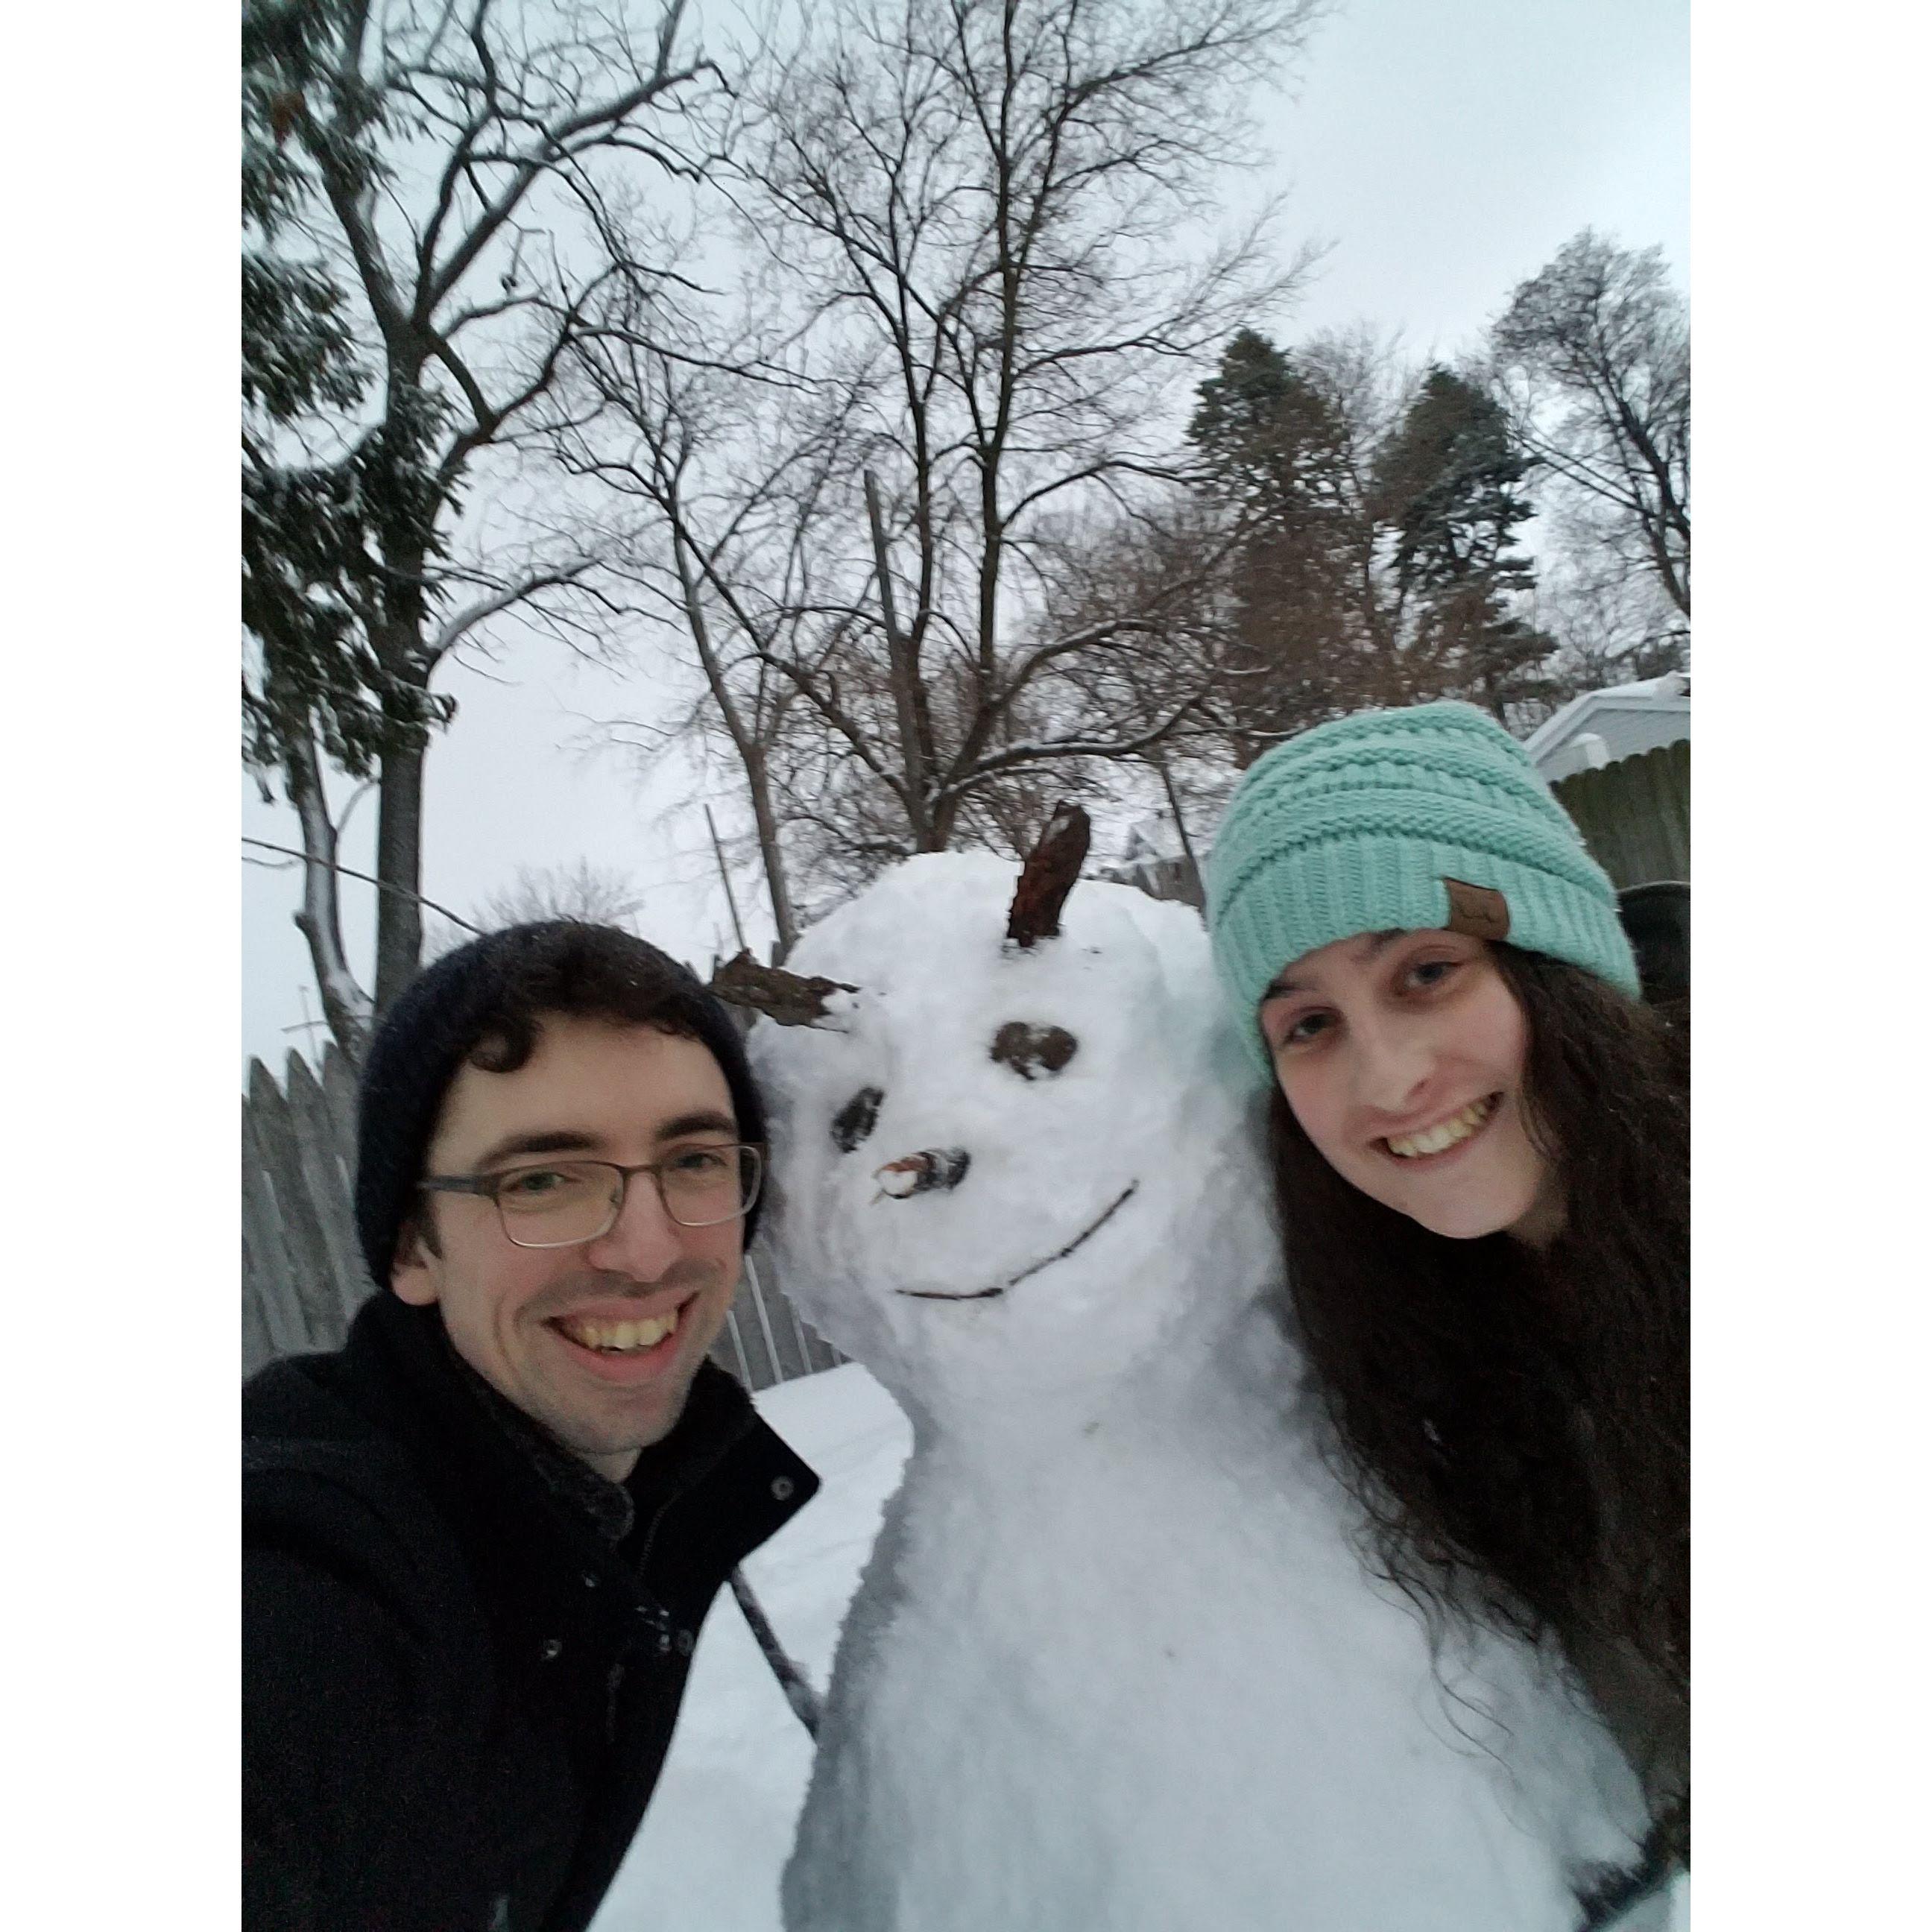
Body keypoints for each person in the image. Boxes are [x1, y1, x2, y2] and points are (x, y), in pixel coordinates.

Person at [1205, 701, 1688, 1925]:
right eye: (1307, 1025)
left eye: (1427, 971)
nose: (1386, 1080)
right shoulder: (1405, 1349)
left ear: (1553, 964)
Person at [244, 921, 818, 1932]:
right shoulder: (312, 1581)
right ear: (413, 1247)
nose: (646, 1253)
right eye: (543, 1179)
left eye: (693, 1159)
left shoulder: (616, 1506)